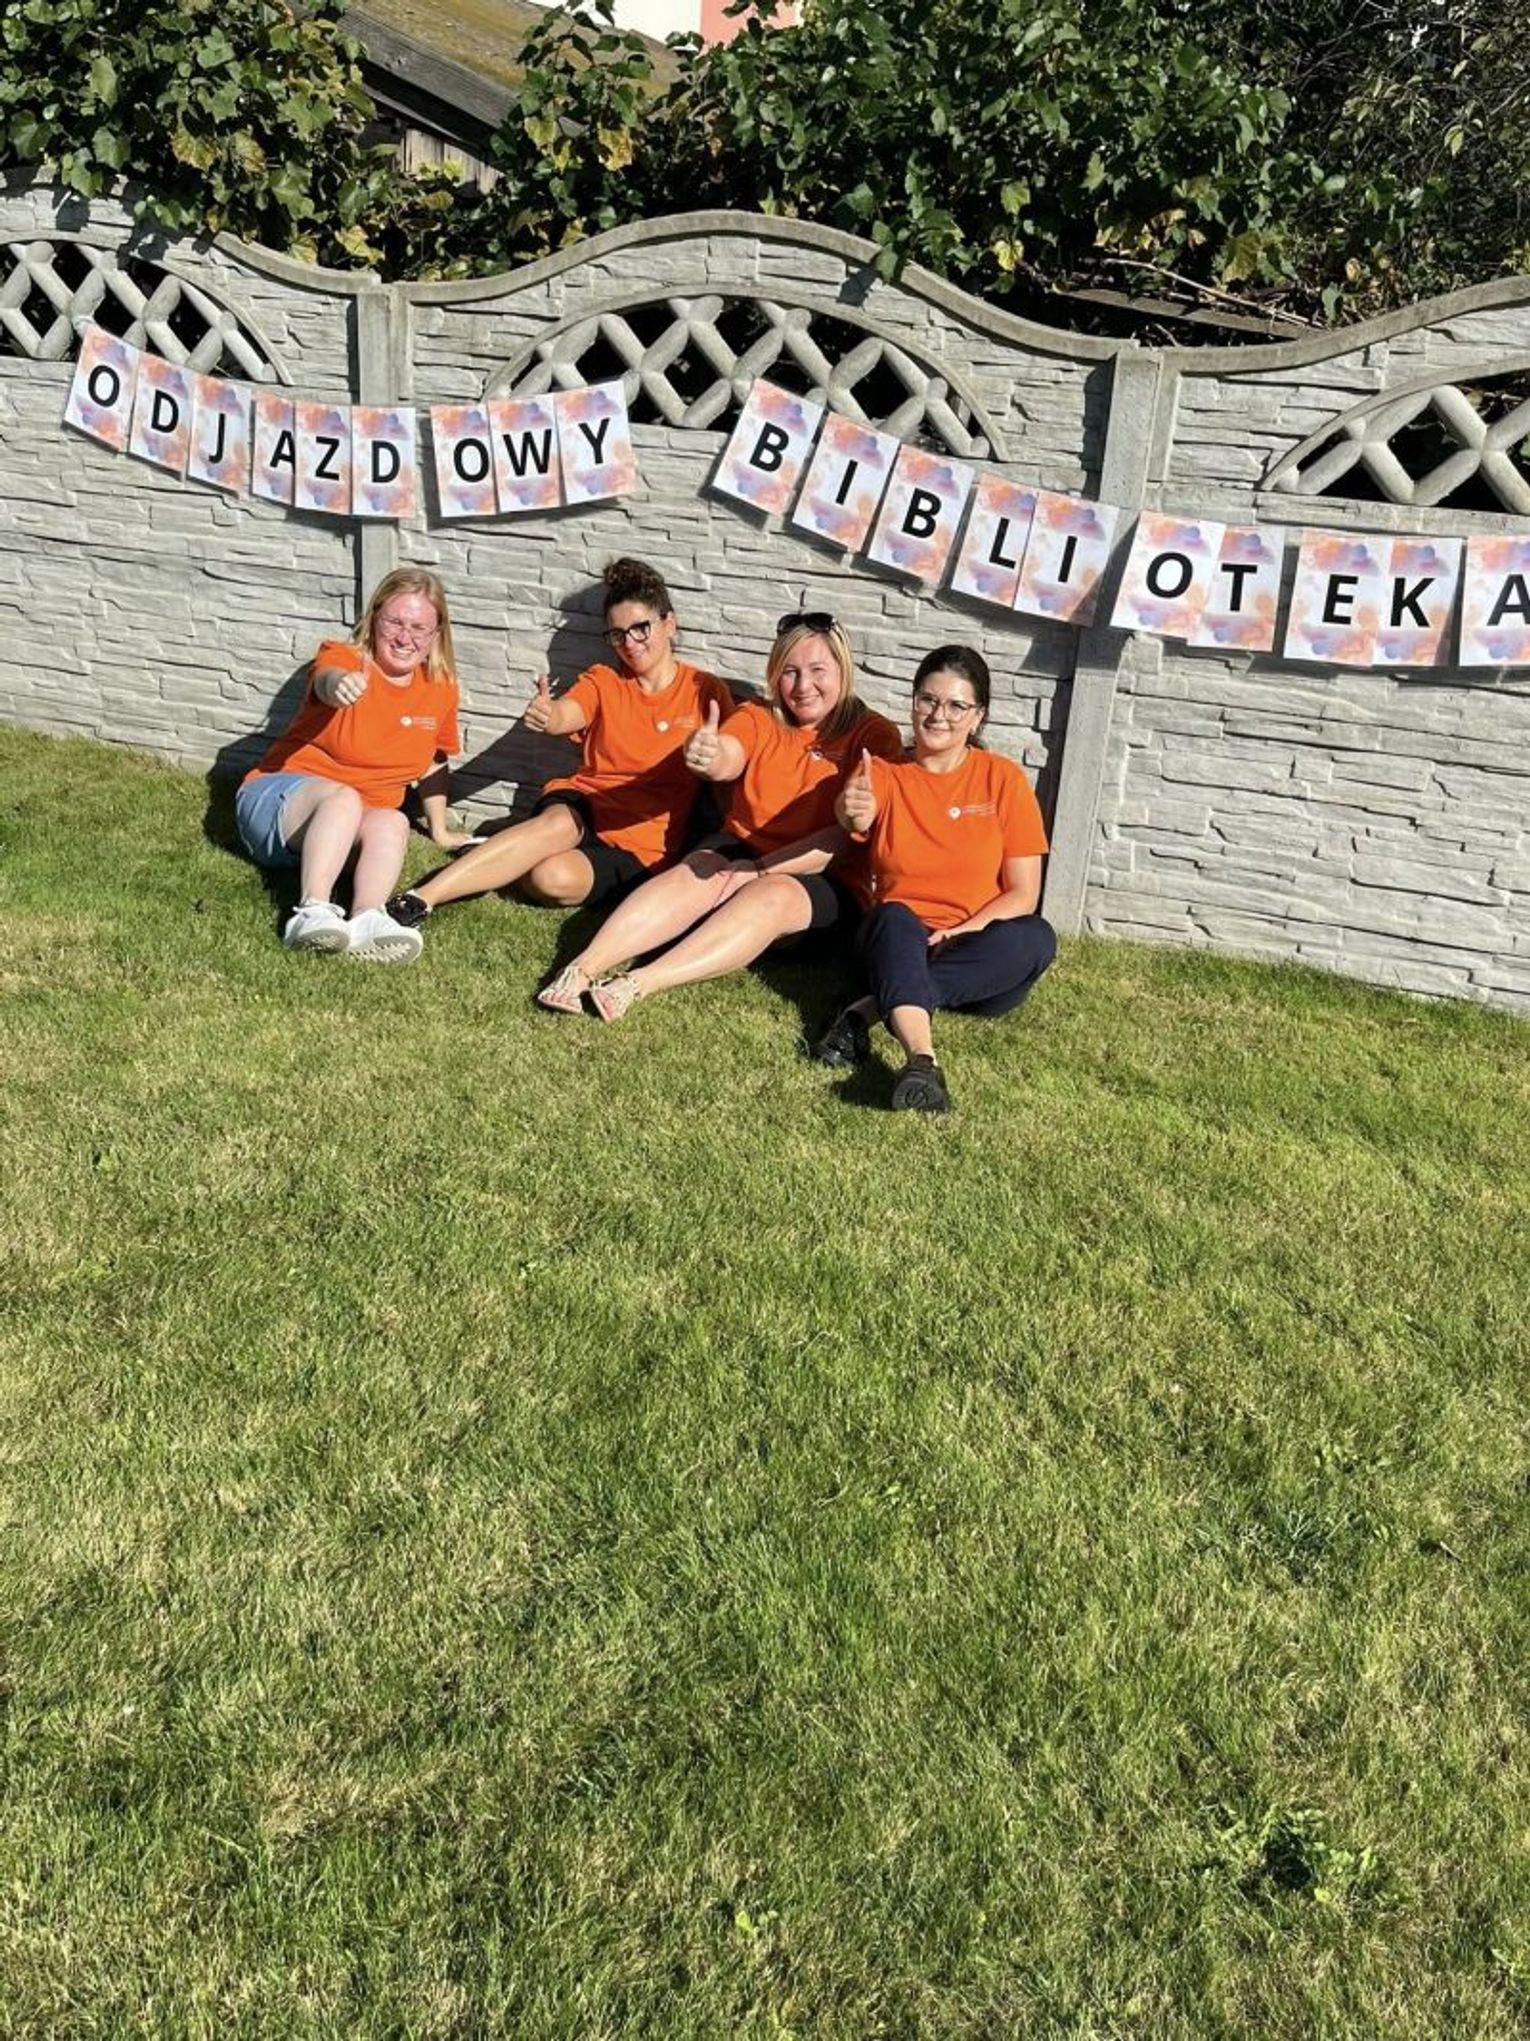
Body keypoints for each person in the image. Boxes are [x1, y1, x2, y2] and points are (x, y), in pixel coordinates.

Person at [537, 613, 903, 1019]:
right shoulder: (759, 716)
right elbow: (729, 755)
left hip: (822, 874)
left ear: (843, 670)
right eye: (790, 672)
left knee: (768, 895)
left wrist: (760, 870)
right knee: (695, 871)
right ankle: (581, 968)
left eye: (818, 671)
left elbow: (843, 838)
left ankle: (641, 982)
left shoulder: (873, 735)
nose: (803, 686)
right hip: (743, 845)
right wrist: (708, 756)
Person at [387, 558, 732, 936]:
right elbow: (567, 713)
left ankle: (502, 854)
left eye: (640, 628)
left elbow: (732, 760)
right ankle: (418, 899)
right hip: (585, 803)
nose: (630, 644)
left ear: (669, 624)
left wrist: (712, 758)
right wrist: (547, 714)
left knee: (548, 879)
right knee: (558, 825)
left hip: (643, 843)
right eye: (618, 635)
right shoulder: (604, 680)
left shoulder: (705, 691)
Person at [812, 645, 1056, 1114]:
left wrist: (961, 932)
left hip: (974, 948)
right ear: (914, 702)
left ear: (977, 716)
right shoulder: (884, 774)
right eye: (928, 699)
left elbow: (1024, 893)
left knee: (1037, 937)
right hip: (896, 942)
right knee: (893, 918)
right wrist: (851, 809)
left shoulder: (1002, 779)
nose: (938, 715)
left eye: (956, 705)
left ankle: (865, 1010)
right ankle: (922, 1062)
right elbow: (854, 813)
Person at [234, 567, 462, 962]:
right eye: (394, 622)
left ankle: (367, 920)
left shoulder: (441, 688)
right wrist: (337, 685)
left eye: (418, 627)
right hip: (279, 807)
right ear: (374, 617)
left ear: (436, 634)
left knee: (393, 821)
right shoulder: (345, 659)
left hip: (347, 829)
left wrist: (439, 830)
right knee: (343, 799)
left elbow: (433, 758)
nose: (404, 637)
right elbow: (326, 679)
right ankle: (311, 912)